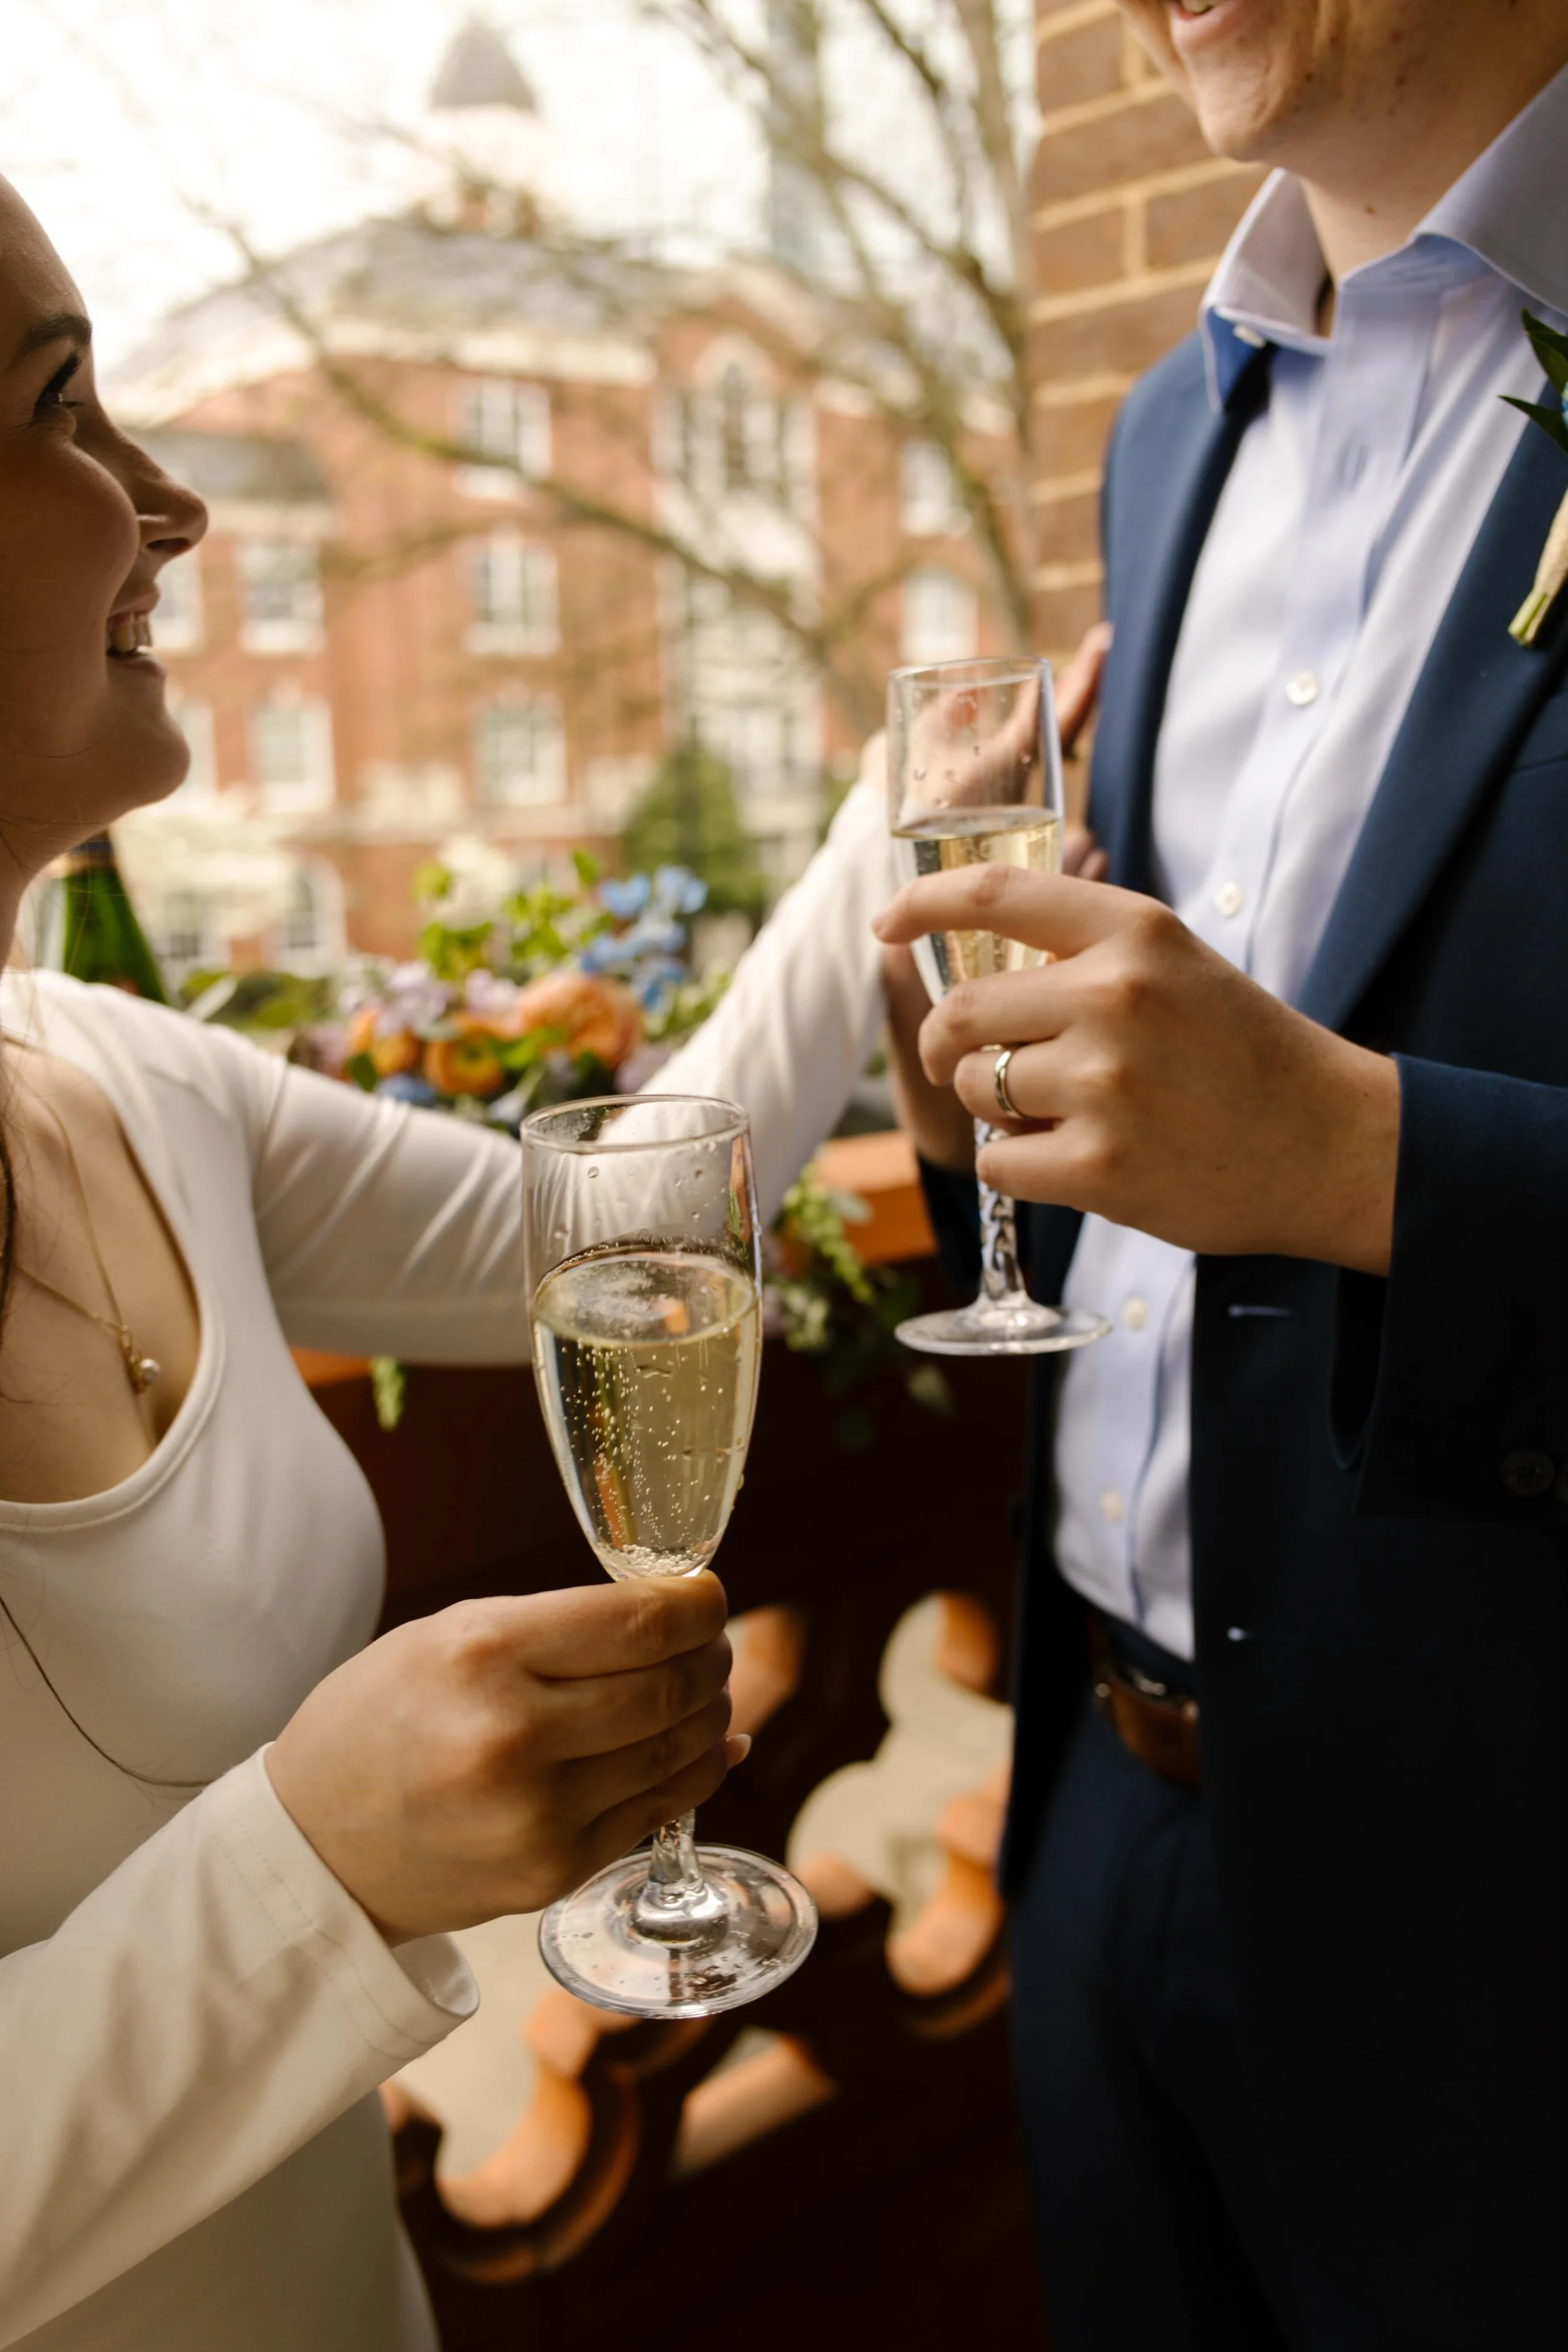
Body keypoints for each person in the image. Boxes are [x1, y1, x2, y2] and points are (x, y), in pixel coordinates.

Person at [0, 177, 748, 2352]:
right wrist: (308, 1863)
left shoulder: (136, 1078)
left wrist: (916, 837)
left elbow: (646, 1201)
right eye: (65, 410)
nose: (176, 503)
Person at [875, 4, 1568, 2346]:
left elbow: (1299, 1138)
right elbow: (1162, 1139)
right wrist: (968, 1048)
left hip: (1512, 1924)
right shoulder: (1172, 428)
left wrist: (1365, 1159)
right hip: (1094, 1822)